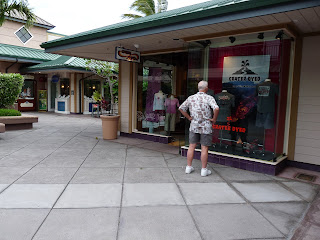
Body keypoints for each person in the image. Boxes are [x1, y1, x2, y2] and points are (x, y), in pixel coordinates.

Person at [179, 81, 219, 176]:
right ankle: (204, 170)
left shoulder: (191, 98)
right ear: (206, 88)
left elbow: (181, 108)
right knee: (204, 147)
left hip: (194, 125)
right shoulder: (209, 98)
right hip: (206, 125)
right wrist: (214, 119)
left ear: (198, 88)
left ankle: (188, 167)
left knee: (191, 146)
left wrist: (189, 117)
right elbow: (216, 108)